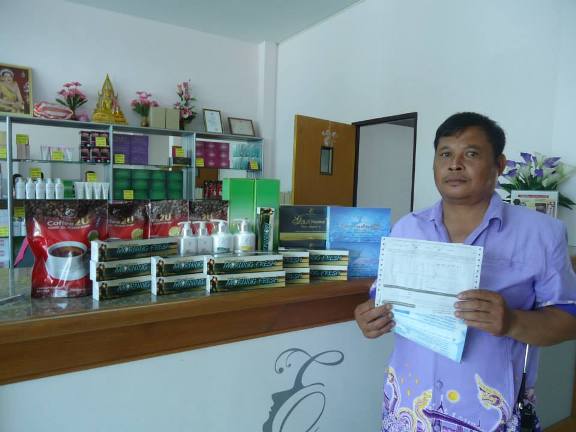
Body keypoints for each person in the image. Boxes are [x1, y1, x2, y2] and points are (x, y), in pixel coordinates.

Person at [354, 112, 576, 432]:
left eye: (471, 154)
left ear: (499, 165)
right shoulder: (406, 229)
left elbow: (569, 320)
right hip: (409, 409)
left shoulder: (542, 233)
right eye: (445, 154)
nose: (455, 164)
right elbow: (382, 296)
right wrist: (369, 316)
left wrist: (512, 322)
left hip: (489, 415)